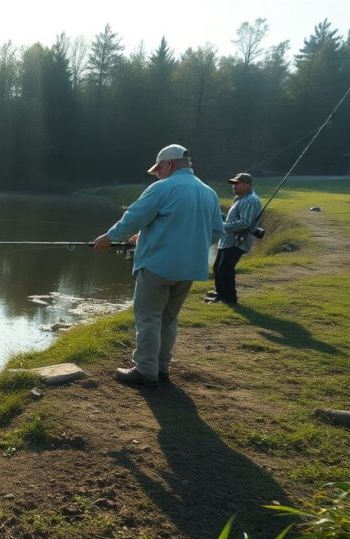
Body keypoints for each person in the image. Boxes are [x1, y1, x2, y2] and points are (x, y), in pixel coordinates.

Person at [91, 144, 223, 389]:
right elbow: (215, 231)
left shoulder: (162, 188)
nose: (158, 174)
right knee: (168, 319)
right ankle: (162, 367)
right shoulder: (209, 192)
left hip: (157, 267)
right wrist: (180, 243)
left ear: (169, 165)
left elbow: (133, 217)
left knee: (149, 318)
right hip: (189, 269)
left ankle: (144, 369)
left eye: (159, 169)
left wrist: (108, 238)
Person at [206, 172, 262, 305]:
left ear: (247, 185)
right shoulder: (240, 198)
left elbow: (245, 223)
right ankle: (220, 293)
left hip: (237, 241)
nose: (234, 186)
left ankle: (230, 298)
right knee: (217, 268)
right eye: (233, 184)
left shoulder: (250, 200)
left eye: (237, 183)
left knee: (225, 269)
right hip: (227, 240)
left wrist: (223, 225)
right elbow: (234, 219)